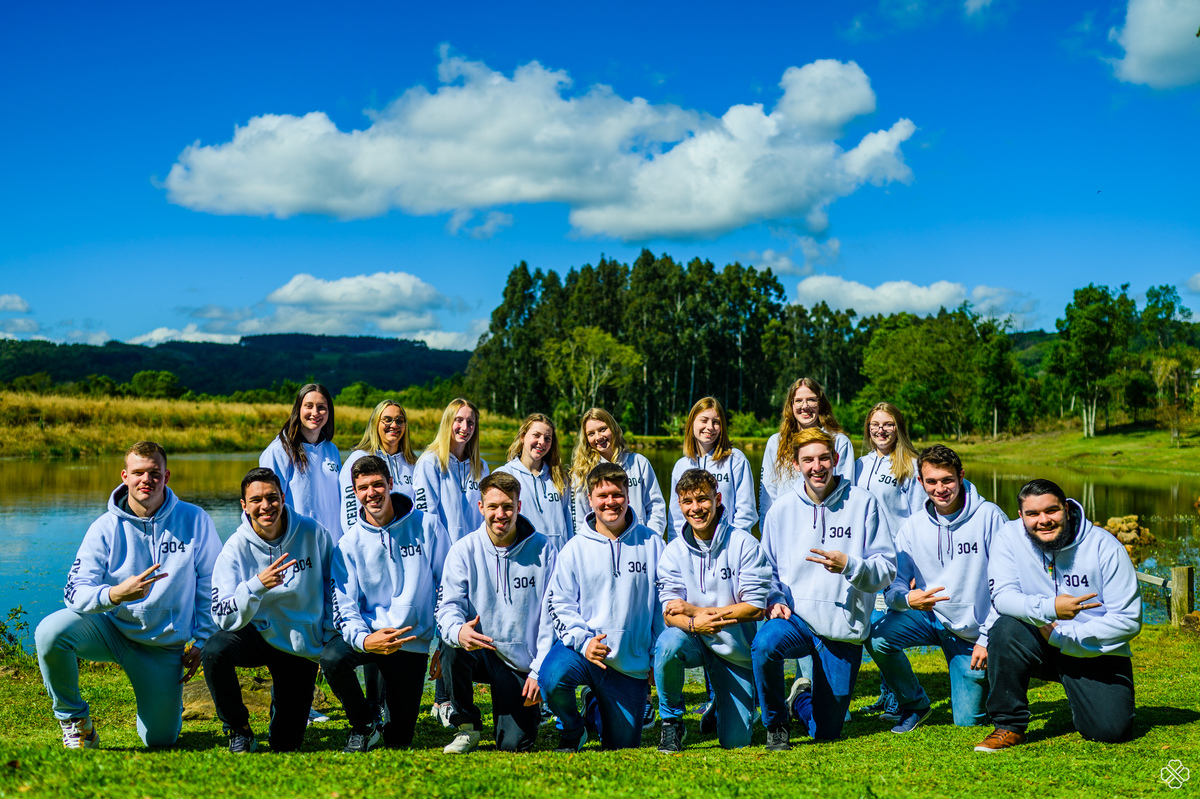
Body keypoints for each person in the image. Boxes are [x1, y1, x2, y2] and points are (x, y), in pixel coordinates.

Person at [35, 441, 220, 748]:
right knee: (50, 632)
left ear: (166, 476)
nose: (146, 479)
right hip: (112, 630)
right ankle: (75, 721)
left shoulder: (195, 519)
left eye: (154, 472)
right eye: (138, 473)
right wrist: (114, 594)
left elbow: (211, 584)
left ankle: (158, 706)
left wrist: (203, 640)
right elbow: (74, 590)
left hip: (163, 646)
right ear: (124, 476)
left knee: (159, 740)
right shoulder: (104, 527)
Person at [752, 428, 895, 751]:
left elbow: (887, 570)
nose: (816, 466)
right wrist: (773, 597)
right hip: (796, 618)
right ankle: (776, 724)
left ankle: (801, 699)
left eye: (822, 458)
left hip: (842, 627)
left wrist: (850, 565)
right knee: (764, 646)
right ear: (795, 464)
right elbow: (766, 569)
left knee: (827, 732)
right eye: (808, 460)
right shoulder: (782, 510)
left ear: (836, 459)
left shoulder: (863, 503)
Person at [974, 479, 1141, 752]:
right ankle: (1008, 725)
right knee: (1005, 628)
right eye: (1032, 514)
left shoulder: (1105, 546)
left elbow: (1129, 621)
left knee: (1111, 730)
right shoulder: (1008, 536)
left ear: (1066, 508)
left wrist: (1067, 636)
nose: (1043, 520)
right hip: (1040, 638)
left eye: (1051, 511)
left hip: (1093, 648)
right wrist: (1051, 608)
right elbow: (1002, 597)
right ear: (1021, 516)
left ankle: (1085, 695)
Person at [864, 445, 1008, 733]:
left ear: (961, 476)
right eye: (931, 481)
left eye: (947, 480)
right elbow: (894, 588)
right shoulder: (912, 527)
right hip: (929, 617)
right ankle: (915, 704)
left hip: (973, 631)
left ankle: (995, 685)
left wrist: (987, 637)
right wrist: (906, 598)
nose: (940, 488)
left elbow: (1007, 586)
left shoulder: (990, 517)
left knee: (967, 722)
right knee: (877, 637)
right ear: (920, 482)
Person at [321, 455, 450, 752]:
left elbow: (448, 587)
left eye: (378, 484)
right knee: (332, 659)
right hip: (370, 635)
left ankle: (386, 726)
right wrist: (366, 640)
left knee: (399, 739)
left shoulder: (428, 527)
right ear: (355, 492)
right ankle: (364, 724)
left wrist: (444, 643)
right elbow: (344, 606)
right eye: (363, 487)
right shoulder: (348, 544)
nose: (371, 493)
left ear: (391, 484)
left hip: (410, 640)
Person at [202, 467, 336, 753]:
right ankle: (238, 729)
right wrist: (255, 587)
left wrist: (327, 635)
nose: (266, 506)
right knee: (214, 650)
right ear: (244, 505)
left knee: (286, 744)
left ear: (283, 498)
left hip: (300, 643)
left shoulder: (312, 532)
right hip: (256, 634)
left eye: (272, 498)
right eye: (256, 500)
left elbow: (333, 585)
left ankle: (283, 702)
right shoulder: (234, 548)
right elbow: (222, 615)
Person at [540, 462, 665, 751]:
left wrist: (653, 658)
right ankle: (573, 728)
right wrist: (584, 643)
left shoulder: (653, 544)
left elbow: (662, 608)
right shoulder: (575, 548)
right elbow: (559, 604)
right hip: (584, 652)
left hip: (629, 664)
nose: (611, 502)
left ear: (628, 497)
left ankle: (596, 707)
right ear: (590, 500)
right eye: (603, 495)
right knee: (553, 678)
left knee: (621, 746)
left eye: (617, 494)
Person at [436, 472, 557, 754]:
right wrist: (458, 630)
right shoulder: (463, 549)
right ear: (481, 508)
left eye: (507, 506)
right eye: (492, 507)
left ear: (519, 507)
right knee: (451, 644)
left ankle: (528, 714)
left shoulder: (544, 550)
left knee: (514, 745)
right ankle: (467, 726)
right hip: (480, 648)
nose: (500, 514)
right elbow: (448, 606)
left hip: (521, 661)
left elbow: (553, 617)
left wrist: (539, 671)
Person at [655, 469, 770, 752]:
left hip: (735, 651)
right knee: (668, 644)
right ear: (679, 506)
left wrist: (695, 611)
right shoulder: (672, 551)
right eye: (688, 502)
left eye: (703, 499)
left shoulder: (744, 543)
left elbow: (756, 608)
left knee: (737, 742)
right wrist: (694, 625)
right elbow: (670, 611)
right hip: (694, 641)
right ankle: (672, 723)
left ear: (718, 499)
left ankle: (721, 702)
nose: (696, 508)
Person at [414, 397, 490, 725]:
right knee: (447, 624)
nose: (464, 427)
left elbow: (485, 517)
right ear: (448, 423)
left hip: (477, 562)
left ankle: (447, 695)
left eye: (470, 422)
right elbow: (427, 518)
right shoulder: (430, 463)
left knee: (467, 625)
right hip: (443, 561)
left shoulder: (481, 467)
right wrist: (445, 561)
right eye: (458, 421)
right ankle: (443, 700)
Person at [853, 402, 925, 722]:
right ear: (868, 428)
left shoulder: (910, 465)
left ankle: (899, 697)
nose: (881, 430)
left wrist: (915, 569)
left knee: (884, 628)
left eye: (889, 424)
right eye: (875, 424)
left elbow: (921, 519)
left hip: (896, 561)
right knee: (870, 626)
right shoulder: (859, 464)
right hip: (864, 560)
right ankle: (886, 696)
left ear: (899, 428)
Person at [759, 378, 854, 520]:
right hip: (786, 523)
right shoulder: (776, 442)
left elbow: (845, 491)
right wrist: (765, 529)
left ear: (820, 404)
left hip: (826, 523)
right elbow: (768, 494)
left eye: (811, 400)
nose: (805, 406)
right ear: (790, 405)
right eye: (798, 401)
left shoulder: (838, 441)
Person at [667, 397, 757, 541]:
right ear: (692, 423)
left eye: (716, 422)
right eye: (704, 420)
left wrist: (735, 544)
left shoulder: (735, 460)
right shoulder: (681, 466)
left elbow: (746, 511)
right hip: (693, 547)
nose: (710, 427)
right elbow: (676, 518)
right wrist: (677, 547)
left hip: (728, 544)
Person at [259, 382, 341, 541]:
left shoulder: (332, 450)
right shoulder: (280, 450)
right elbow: (267, 503)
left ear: (329, 412)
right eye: (308, 406)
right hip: (299, 544)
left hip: (332, 543)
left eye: (321, 407)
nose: (315, 412)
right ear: (298, 409)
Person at [570, 408, 666, 536]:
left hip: (640, 541)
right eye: (591, 434)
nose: (598, 437)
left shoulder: (639, 463)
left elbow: (656, 506)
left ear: (613, 428)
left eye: (603, 429)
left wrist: (652, 538)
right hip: (602, 545)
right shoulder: (582, 472)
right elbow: (581, 518)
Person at [340, 399, 418, 539]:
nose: (394, 425)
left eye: (400, 420)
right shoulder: (358, 459)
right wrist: (357, 544)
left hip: (407, 542)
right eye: (387, 420)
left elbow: (418, 509)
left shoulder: (412, 463)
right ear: (375, 423)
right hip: (370, 543)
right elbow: (350, 511)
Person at [494, 413, 573, 549]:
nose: (542, 442)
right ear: (523, 437)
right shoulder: (504, 474)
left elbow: (568, 521)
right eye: (536, 435)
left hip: (558, 558)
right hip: (523, 558)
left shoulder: (560, 477)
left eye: (547, 438)